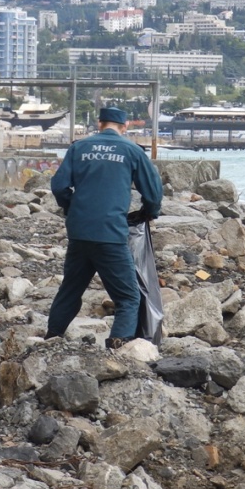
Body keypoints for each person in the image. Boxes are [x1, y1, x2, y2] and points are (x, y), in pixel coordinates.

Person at [47, 106, 163, 349]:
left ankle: (51, 337)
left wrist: (71, 206)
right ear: (125, 126)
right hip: (111, 234)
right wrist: (148, 213)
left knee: (71, 289)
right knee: (128, 297)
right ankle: (118, 345)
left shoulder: (79, 148)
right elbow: (153, 191)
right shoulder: (132, 150)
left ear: (99, 123)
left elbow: (58, 186)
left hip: (79, 232)